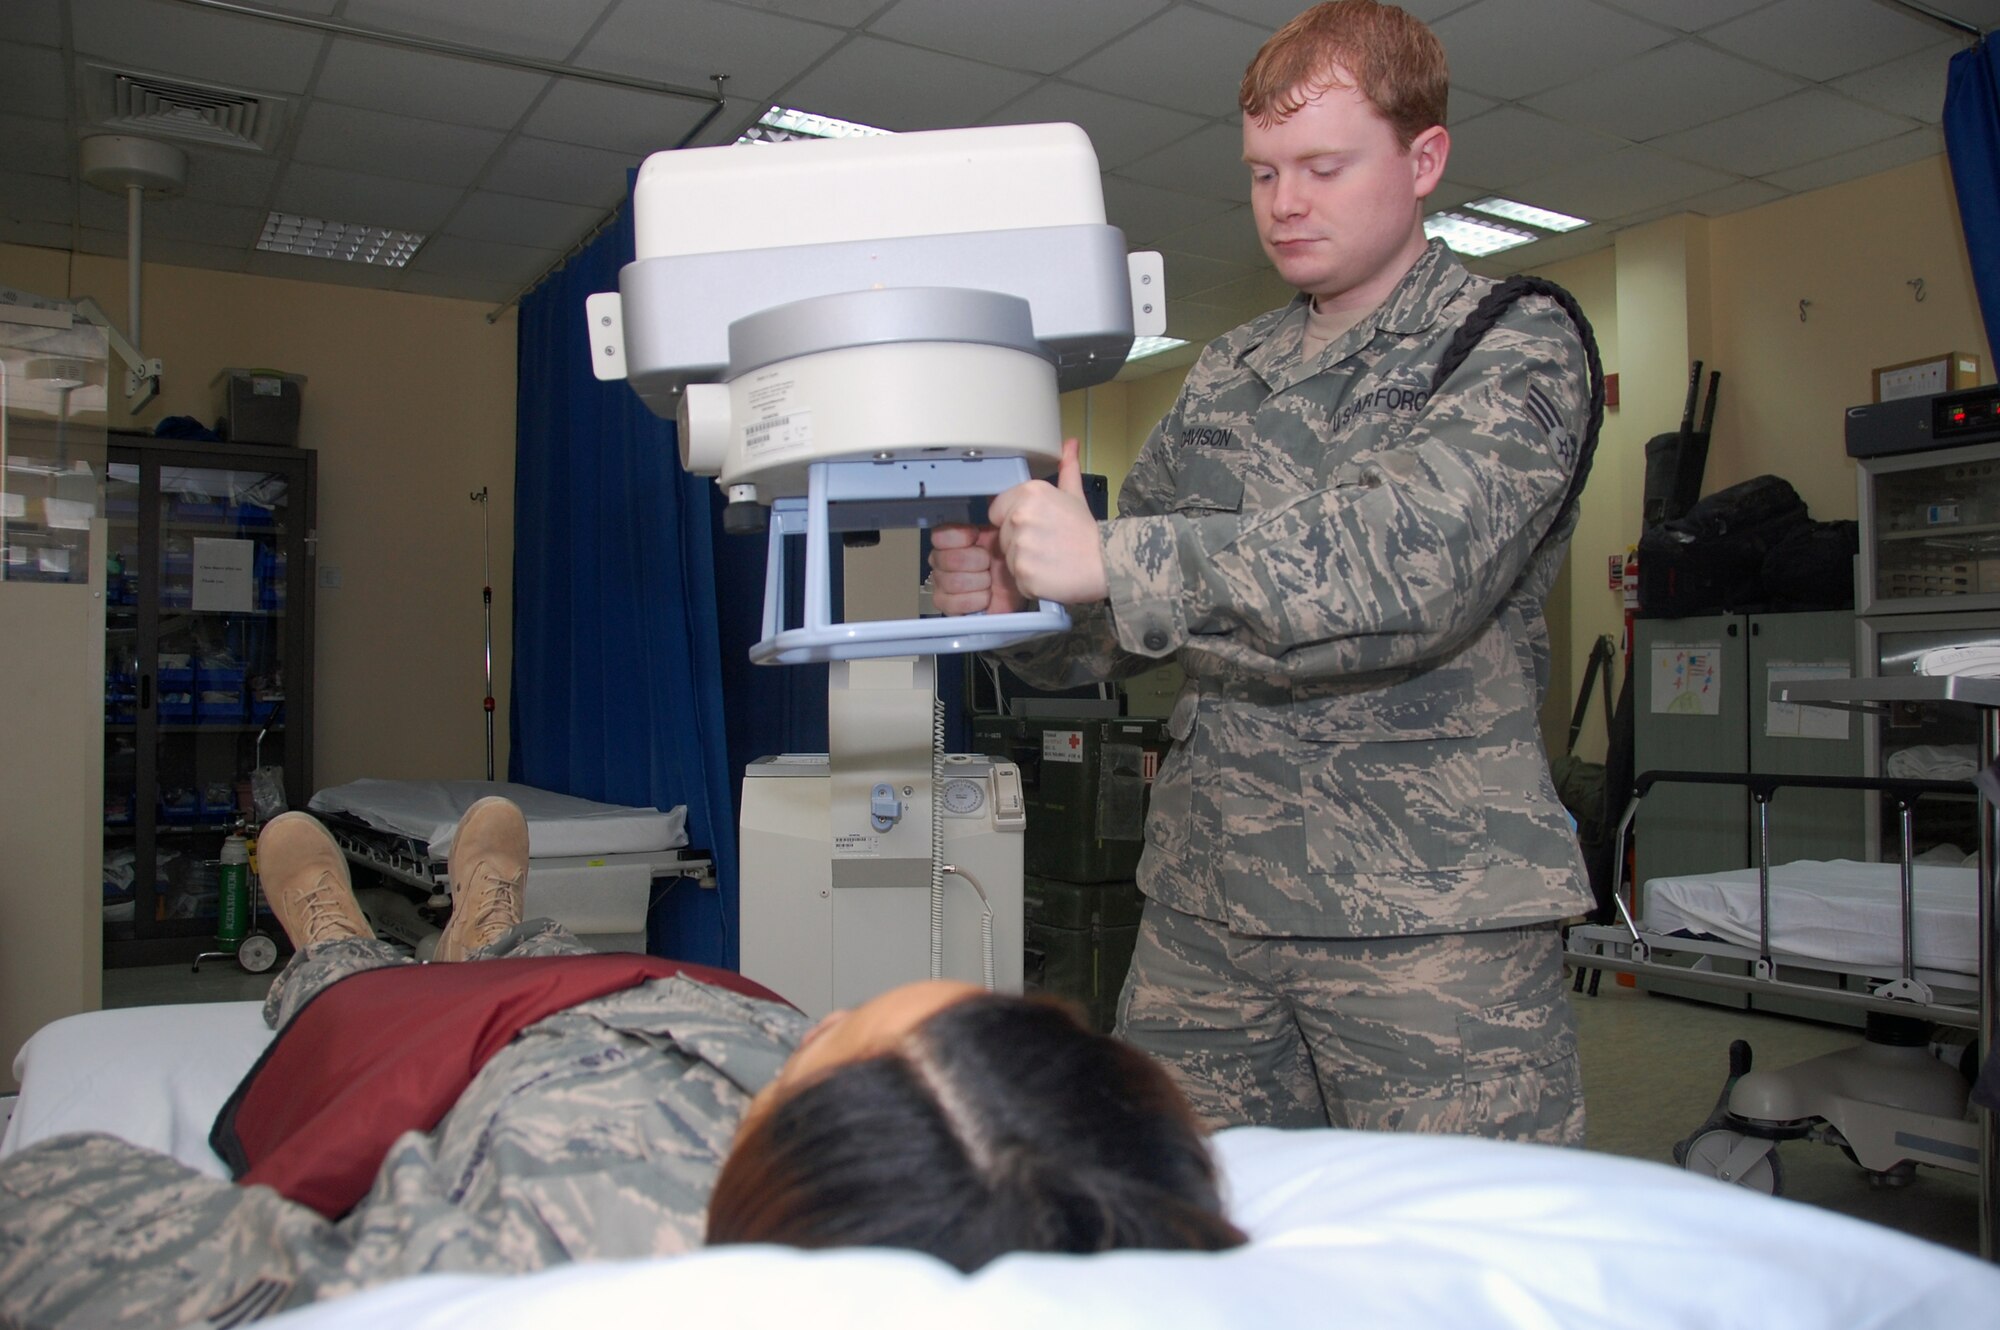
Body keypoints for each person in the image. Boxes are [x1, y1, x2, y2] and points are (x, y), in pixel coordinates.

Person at [930, 0, 1594, 1145]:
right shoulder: (1229, 370)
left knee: (1447, 1258)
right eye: (1261, 173)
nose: (1284, 203)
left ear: (1423, 157)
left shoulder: (1512, 338)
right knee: (1183, 1229)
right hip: (1208, 914)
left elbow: (1412, 566)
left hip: (1425, 922)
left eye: (1322, 166)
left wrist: (1109, 556)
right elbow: (1130, 624)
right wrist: (1022, 608)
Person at [0, 799, 1241, 1329]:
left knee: (360, 996)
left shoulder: (542, 1253)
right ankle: (487, 915)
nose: (821, 1019)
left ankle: (322, 928)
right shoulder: (1012, 1158)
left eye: (833, 1040)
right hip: (666, 1001)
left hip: (476, 1050)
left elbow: (64, 1221)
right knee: (559, 955)